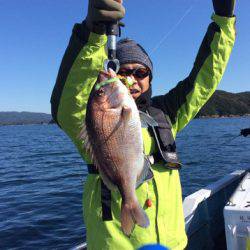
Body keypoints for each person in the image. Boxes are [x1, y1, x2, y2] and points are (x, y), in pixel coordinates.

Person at [51, 0, 236, 249]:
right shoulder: (93, 116)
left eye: (140, 73)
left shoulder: (165, 116)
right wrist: (93, 33)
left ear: (150, 78)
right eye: (123, 72)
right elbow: (69, 99)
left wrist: (224, 20)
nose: (132, 79)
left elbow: (204, 80)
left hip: (172, 243)